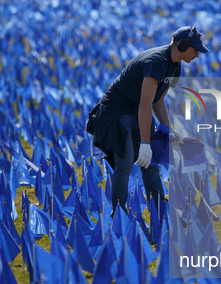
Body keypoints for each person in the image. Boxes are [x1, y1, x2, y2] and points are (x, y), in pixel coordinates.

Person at [87, 26, 209, 216]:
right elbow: (145, 105)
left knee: (151, 163)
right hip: (118, 111)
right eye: (195, 49)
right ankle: (119, 216)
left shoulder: (176, 68)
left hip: (138, 110)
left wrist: (167, 128)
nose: (197, 55)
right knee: (126, 163)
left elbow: (158, 100)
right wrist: (145, 143)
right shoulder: (156, 62)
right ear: (183, 45)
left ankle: (159, 210)